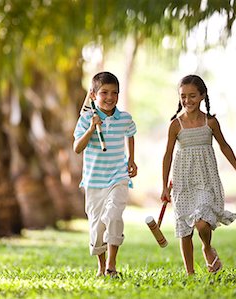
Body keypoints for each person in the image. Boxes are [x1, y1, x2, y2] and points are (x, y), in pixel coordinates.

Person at [161, 74, 236, 275]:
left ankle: (207, 247)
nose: (187, 101)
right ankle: (190, 273)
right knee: (185, 229)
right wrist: (163, 186)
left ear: (202, 96)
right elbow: (167, 155)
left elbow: (224, 146)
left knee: (202, 223)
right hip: (183, 181)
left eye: (192, 96)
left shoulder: (210, 122)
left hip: (205, 179)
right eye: (183, 96)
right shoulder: (175, 125)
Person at [73, 71, 138, 278]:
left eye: (114, 93)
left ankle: (111, 265)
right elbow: (77, 148)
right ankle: (102, 267)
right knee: (97, 227)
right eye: (104, 93)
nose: (110, 97)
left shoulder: (124, 118)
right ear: (93, 95)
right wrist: (91, 128)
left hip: (118, 177)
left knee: (114, 216)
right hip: (93, 181)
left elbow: (130, 134)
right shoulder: (86, 119)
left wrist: (131, 159)